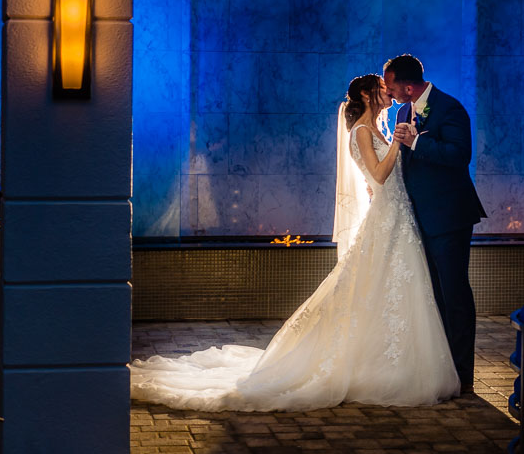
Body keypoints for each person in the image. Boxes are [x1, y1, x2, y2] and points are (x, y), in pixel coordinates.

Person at [129, 74, 459, 411]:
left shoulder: (382, 127)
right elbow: (377, 175)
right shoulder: (361, 131)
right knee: (375, 289)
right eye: (382, 88)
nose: (389, 93)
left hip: (397, 216)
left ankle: (394, 360)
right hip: (387, 220)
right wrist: (398, 145)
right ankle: (375, 366)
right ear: (366, 93)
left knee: (391, 290)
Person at [383, 54, 486, 393]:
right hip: (417, 218)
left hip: (449, 216)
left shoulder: (449, 109)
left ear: (408, 86)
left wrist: (417, 141)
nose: (389, 91)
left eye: (392, 85)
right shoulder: (400, 111)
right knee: (432, 296)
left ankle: (462, 376)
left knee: (453, 293)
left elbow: (460, 156)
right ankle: (439, 371)